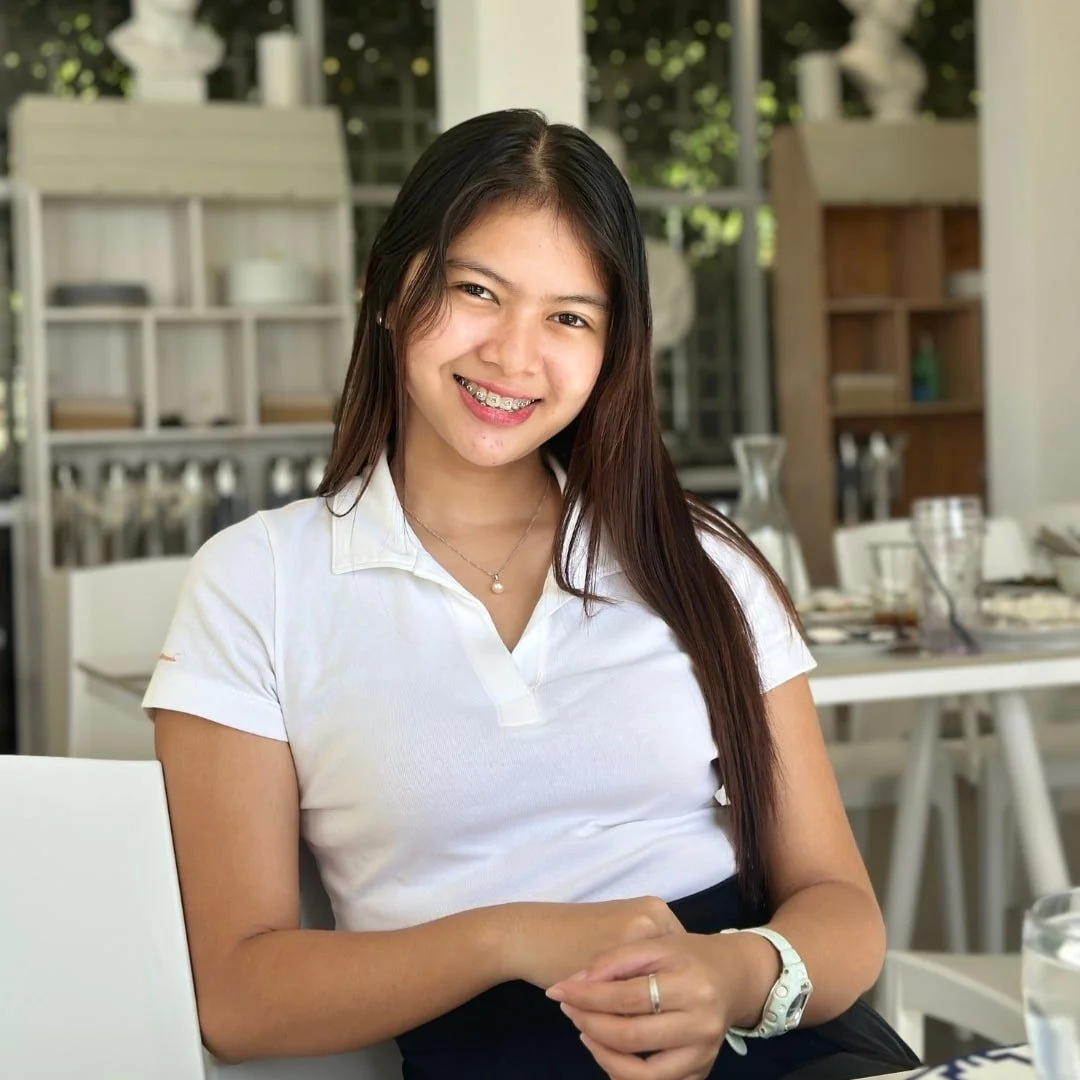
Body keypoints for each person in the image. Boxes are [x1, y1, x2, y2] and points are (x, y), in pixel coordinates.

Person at [146, 109, 919, 1080]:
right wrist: (510, 940)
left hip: (773, 1043)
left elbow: (843, 911)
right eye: (478, 291)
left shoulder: (700, 562)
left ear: (612, 347)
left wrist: (727, 976)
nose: (516, 355)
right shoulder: (258, 581)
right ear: (389, 289)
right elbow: (238, 996)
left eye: (569, 316)